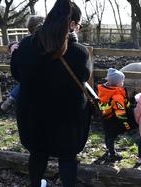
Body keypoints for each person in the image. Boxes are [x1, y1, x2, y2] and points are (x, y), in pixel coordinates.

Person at [10, 0, 91, 186]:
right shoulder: (80, 52)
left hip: (33, 115)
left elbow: (16, 74)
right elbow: (84, 76)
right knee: (68, 157)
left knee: (37, 154)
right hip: (66, 118)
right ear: (72, 24)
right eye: (78, 25)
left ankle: (36, 184)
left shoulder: (26, 45)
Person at [1, 15, 45, 112]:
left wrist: (12, 46)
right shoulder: (45, 42)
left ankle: (11, 98)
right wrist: (11, 45)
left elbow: (15, 72)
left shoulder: (25, 43)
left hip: (27, 83)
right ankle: (11, 97)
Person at [97, 68, 131, 161]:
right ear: (117, 83)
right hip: (113, 118)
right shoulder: (117, 95)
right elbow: (120, 111)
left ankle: (108, 148)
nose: (123, 83)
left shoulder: (104, 89)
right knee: (112, 135)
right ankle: (112, 153)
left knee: (107, 134)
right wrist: (125, 123)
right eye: (122, 81)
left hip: (104, 115)